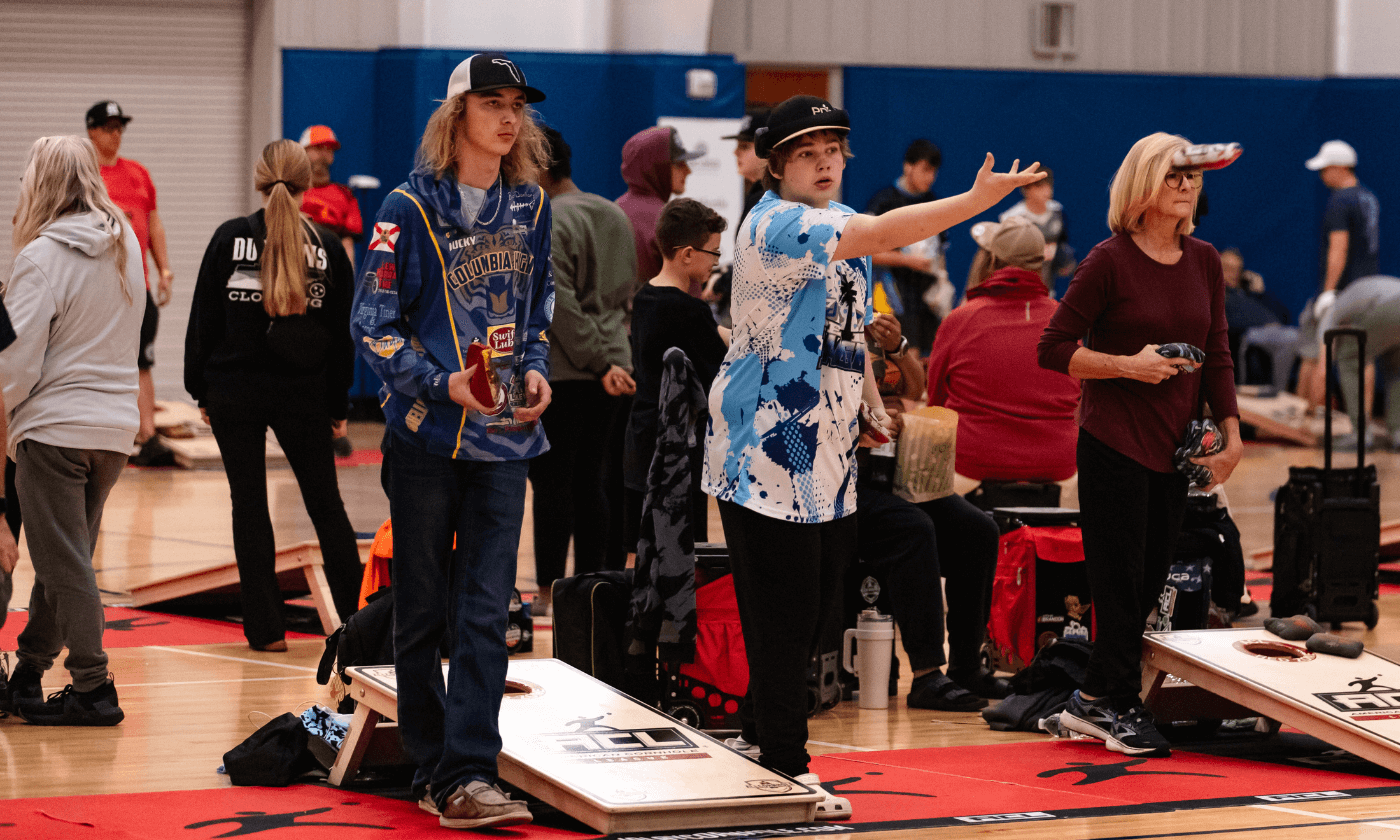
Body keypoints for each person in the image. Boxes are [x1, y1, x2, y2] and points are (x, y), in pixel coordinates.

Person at [703, 93, 1043, 818]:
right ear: (775, 166)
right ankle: (787, 765)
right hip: (766, 450)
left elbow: (842, 333)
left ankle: (766, 739)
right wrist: (975, 201)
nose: (824, 162)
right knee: (786, 609)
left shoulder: (831, 234)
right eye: (806, 153)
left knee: (817, 600)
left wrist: (869, 406)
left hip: (828, 450)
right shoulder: (780, 223)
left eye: (832, 149)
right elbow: (889, 229)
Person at [350, 52, 553, 830]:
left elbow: (537, 314)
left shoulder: (532, 207)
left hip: (506, 442)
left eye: (517, 107)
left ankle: (470, 769)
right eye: (492, 103)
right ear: (457, 113)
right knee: (425, 609)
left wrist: (534, 369)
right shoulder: (407, 207)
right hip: (428, 436)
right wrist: (440, 384)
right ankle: (436, 768)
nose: (508, 118)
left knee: (485, 611)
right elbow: (372, 326)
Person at [1038, 132, 1242, 758]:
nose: (1186, 186)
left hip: (1174, 448)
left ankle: (1095, 701)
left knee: (1151, 579)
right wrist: (1128, 366)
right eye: (1174, 176)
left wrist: (1232, 436)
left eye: (1193, 178)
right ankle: (1116, 703)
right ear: (1143, 186)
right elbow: (1053, 349)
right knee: (1120, 583)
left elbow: (1219, 356)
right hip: (1112, 442)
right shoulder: (1108, 261)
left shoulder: (1205, 260)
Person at [184, 139, 362, 652]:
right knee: (327, 508)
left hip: (234, 392)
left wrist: (201, 386)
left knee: (250, 506)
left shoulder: (228, 238)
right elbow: (340, 335)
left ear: (260, 179)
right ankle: (357, 628)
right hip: (303, 394)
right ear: (308, 183)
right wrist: (338, 405)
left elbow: (204, 324)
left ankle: (266, 633)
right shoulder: (328, 247)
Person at [0, 135, 144, 724]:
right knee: (69, 559)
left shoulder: (39, 256)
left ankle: (93, 685)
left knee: (64, 566)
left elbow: (15, 364)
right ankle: (31, 672)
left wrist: (5, 410)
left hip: (54, 429)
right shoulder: (125, 241)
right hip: (114, 432)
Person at [856, 312, 1008, 711]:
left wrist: (898, 348)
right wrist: (870, 422)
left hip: (892, 468)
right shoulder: (814, 330)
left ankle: (965, 667)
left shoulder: (868, 327)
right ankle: (926, 676)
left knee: (977, 529)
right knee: (913, 527)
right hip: (838, 481)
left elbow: (917, 390)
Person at [530, 125, 636, 613]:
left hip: (568, 370)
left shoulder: (546, 217)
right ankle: (594, 587)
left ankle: (552, 591)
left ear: (542, 166)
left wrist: (596, 360)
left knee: (554, 483)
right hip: (616, 365)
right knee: (593, 481)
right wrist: (612, 360)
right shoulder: (613, 213)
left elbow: (560, 305)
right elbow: (621, 297)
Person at [927, 216, 1079, 484]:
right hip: (1058, 466)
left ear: (993, 259)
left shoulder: (961, 319)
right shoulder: (1065, 321)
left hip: (972, 466)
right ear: (1042, 262)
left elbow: (935, 402)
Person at [624, 198, 730, 555]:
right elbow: (719, 374)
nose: (716, 261)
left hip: (643, 435)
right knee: (683, 548)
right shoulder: (690, 310)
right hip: (678, 446)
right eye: (712, 252)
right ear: (687, 254)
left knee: (649, 545)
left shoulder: (645, 298)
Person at [86, 100, 176, 468]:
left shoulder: (138, 173)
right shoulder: (83, 174)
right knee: (94, 360)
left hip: (136, 286)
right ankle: (94, 434)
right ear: (91, 130)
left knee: (143, 360)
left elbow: (153, 222)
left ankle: (148, 436)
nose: (116, 134)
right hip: (97, 286)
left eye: (120, 127)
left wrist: (165, 269)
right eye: (109, 127)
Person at [1298, 140, 1380, 412]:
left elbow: (1339, 249)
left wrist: (1327, 292)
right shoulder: (1369, 198)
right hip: (1368, 290)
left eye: (1326, 168)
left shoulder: (1340, 201)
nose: (1322, 175)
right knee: (1362, 357)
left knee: (1317, 354)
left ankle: (1304, 417)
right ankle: (1363, 426)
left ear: (1341, 167)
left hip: (1342, 291)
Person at [865, 138, 947, 356]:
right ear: (908, 166)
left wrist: (943, 284)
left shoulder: (932, 201)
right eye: (925, 169)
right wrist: (907, 260)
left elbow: (940, 251)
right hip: (895, 296)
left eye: (934, 171)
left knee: (929, 361)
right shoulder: (883, 202)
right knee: (906, 359)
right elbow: (866, 252)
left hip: (927, 297)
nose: (930, 177)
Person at [616, 126, 703, 295]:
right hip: (660, 319)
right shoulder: (669, 219)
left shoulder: (612, 209)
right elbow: (690, 301)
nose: (688, 170)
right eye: (679, 163)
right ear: (656, 166)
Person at [1317, 276, 1400, 451]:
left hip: (1388, 305)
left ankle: (1360, 434)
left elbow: (1323, 366)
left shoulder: (1332, 309)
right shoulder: (1353, 294)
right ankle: (1397, 432)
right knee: (1396, 370)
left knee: (1349, 358)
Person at [702, 108, 770, 319]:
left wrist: (725, 279)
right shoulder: (759, 194)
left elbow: (762, 264)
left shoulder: (769, 199)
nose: (735, 153)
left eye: (744, 146)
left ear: (769, 151)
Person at [1000, 166, 1076, 295]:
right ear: (1026, 189)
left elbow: (1063, 244)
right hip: (1018, 292)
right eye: (1039, 187)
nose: (1046, 192)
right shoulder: (1011, 219)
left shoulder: (1057, 211)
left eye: (1048, 186)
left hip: (1047, 290)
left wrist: (1064, 262)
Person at [298, 124, 364, 268]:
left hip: (330, 271)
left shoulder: (345, 195)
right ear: (303, 151)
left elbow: (348, 244)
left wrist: (348, 285)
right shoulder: (290, 191)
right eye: (319, 148)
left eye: (329, 150)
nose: (324, 154)